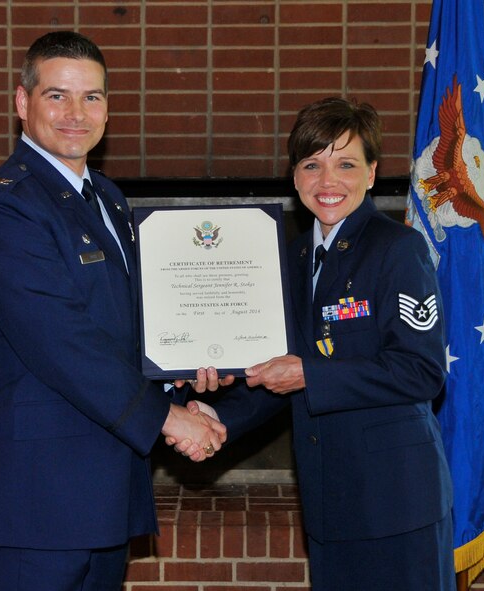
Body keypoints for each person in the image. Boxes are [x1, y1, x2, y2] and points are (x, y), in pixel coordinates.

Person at [0, 31, 226, 591]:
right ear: (22, 102)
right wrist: (167, 419)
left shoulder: (106, 197)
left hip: (104, 488)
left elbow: (124, 327)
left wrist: (183, 370)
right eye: (57, 95)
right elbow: (61, 341)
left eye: (92, 97)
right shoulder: (9, 206)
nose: (76, 114)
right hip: (38, 496)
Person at [175, 97, 456, 590]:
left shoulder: (398, 249)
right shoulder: (288, 257)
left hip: (397, 500)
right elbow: (273, 371)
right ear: (295, 177)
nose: (328, 182)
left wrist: (309, 373)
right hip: (329, 500)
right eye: (312, 165)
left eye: (346, 164)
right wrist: (218, 416)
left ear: (371, 173)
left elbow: (421, 372)